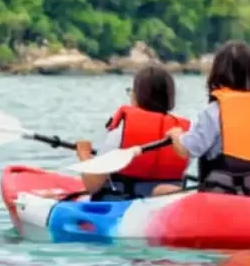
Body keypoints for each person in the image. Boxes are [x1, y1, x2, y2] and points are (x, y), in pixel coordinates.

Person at [166, 41, 250, 202]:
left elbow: (187, 150)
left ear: (217, 73)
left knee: (164, 190)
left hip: (229, 197)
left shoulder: (214, 111)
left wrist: (177, 136)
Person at [74, 65, 189, 198]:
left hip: (123, 207)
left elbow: (92, 185)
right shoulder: (183, 138)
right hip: (163, 207)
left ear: (137, 95)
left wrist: (84, 155)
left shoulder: (120, 134)